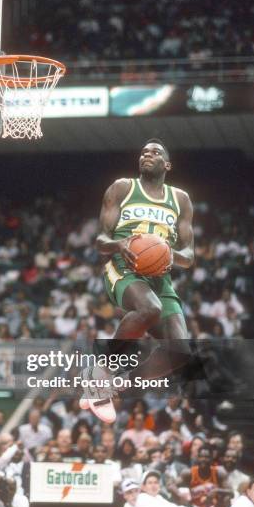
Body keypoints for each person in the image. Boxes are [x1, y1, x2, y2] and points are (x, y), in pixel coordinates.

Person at [80, 139, 194, 422]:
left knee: (180, 353)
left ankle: (120, 382)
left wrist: (171, 255)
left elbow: (189, 255)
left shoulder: (180, 199)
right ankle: (99, 374)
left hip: (159, 275)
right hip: (123, 266)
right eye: (143, 151)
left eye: (155, 152)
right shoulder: (122, 188)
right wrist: (119, 245)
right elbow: (100, 239)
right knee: (149, 308)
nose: (147, 154)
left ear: (167, 164)